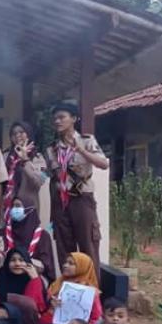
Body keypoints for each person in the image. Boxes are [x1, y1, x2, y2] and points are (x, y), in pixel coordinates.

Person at [46, 102, 108, 277]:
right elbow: (54, 175)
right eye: (55, 119)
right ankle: (68, 286)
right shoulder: (52, 148)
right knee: (64, 247)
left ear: (74, 119)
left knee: (88, 244)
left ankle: (91, 286)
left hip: (82, 198)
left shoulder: (87, 140)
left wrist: (81, 150)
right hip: (61, 201)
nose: (57, 121)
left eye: (62, 117)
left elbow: (103, 164)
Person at [3, 198, 56, 283]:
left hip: (34, 276)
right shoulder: (6, 232)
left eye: (18, 206)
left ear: (29, 209)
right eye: (13, 206)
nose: (14, 209)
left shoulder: (43, 235)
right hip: (9, 276)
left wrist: (24, 263)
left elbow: (46, 266)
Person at [1, 122, 47, 220]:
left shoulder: (37, 157)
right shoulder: (5, 156)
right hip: (8, 204)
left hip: (28, 205)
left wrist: (25, 160)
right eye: (14, 134)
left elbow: (39, 181)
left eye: (21, 132)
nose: (17, 135)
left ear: (28, 134)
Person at [46, 252, 102, 324]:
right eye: (65, 262)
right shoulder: (59, 282)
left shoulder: (90, 292)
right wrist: (51, 302)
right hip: (51, 323)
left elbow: (95, 317)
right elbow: (45, 302)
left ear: (82, 267)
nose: (65, 265)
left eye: (71, 264)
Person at [0, 248, 47, 319]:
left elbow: (31, 307)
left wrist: (35, 280)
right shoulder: (2, 279)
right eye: (13, 260)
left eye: (21, 260)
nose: (17, 264)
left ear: (28, 263)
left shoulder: (36, 281)